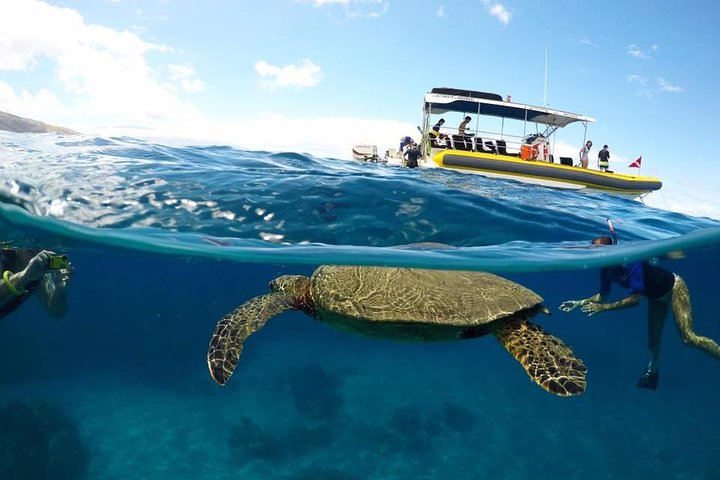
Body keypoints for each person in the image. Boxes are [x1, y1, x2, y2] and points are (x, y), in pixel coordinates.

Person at [559, 236, 720, 390]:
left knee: (688, 338)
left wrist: (604, 308)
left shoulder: (630, 262)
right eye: (594, 253)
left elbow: (635, 300)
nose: (598, 257)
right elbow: (602, 296)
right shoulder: (606, 268)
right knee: (653, 343)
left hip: (674, 288)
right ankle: (652, 371)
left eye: (600, 253)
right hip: (655, 297)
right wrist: (578, 302)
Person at [1, 248, 71, 320]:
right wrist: (24, 276)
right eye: (31, 250)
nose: (40, 253)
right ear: (19, 250)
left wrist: (59, 290)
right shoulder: (3, 257)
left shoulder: (38, 271)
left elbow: (57, 313)